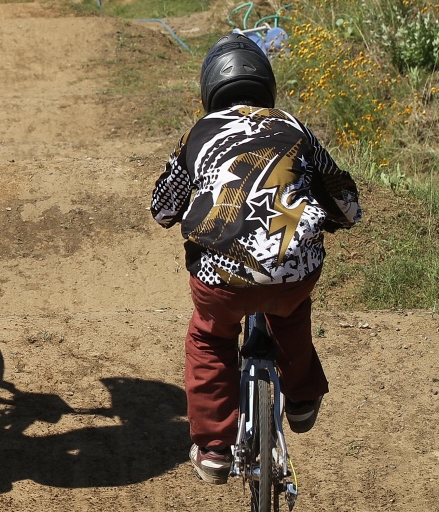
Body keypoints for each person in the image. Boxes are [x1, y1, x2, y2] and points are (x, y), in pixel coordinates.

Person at [150, 34, 361, 485]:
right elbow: (343, 197)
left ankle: (214, 449)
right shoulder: (293, 126)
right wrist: (341, 219)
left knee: (209, 338)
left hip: (220, 277)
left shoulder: (198, 134)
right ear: (267, 83)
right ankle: (302, 400)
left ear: (209, 89)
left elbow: (162, 208)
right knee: (291, 310)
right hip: (293, 269)